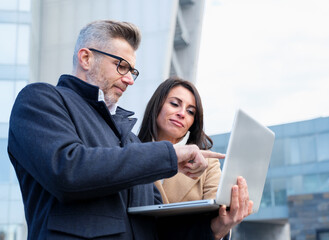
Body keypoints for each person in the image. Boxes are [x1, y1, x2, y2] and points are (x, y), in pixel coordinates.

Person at [7, 20, 250, 240]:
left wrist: (214, 228)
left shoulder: (132, 143)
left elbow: (155, 228)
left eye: (132, 71)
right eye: (121, 66)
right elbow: (67, 170)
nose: (129, 79)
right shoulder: (40, 100)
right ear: (86, 58)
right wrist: (169, 155)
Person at [138, 77, 253, 239]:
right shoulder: (131, 153)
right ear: (157, 105)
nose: (182, 114)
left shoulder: (208, 164)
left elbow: (218, 217)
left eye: (191, 111)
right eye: (175, 104)